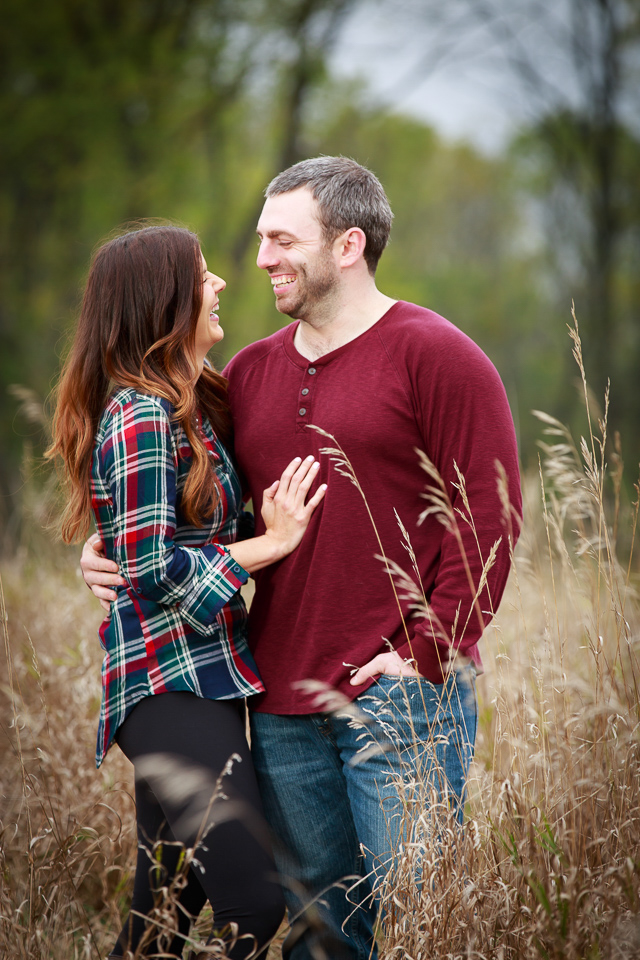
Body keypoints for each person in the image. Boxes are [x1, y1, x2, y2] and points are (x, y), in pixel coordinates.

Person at [82, 158, 523, 960]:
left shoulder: (438, 356)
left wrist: (428, 653)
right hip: (279, 701)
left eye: (282, 240)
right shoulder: (244, 375)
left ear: (348, 244)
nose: (260, 260)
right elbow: (173, 488)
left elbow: (487, 519)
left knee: (417, 920)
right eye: (259, 239)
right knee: (319, 929)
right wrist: (103, 546)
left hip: (400, 697)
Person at [47, 225, 327, 959]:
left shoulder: (198, 402)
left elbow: (171, 540)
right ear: (166, 299)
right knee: (254, 906)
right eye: (205, 276)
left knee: (160, 920)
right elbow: (151, 567)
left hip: (208, 676)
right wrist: (268, 543)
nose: (222, 284)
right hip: (164, 683)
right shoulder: (139, 414)